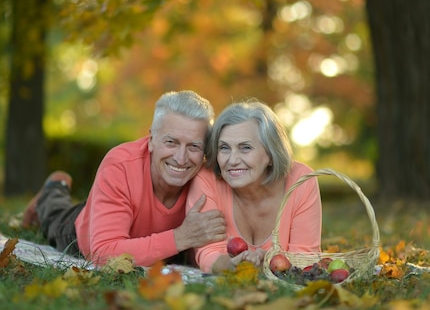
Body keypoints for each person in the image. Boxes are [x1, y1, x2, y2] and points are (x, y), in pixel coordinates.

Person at [22, 90, 227, 267]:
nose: (181, 158)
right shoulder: (120, 166)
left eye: (194, 146)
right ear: (151, 140)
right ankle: (52, 189)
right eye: (171, 142)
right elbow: (102, 253)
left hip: (151, 240)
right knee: (54, 215)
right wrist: (181, 237)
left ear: (205, 152)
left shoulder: (207, 178)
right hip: (83, 233)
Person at [186, 99, 322, 274]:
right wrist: (232, 266)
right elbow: (208, 253)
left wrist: (269, 260)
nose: (232, 160)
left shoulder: (301, 181)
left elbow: (305, 258)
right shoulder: (207, 179)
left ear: (271, 154)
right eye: (224, 148)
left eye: (245, 148)